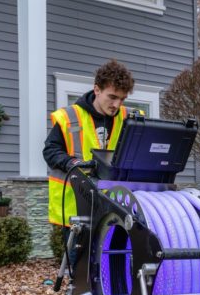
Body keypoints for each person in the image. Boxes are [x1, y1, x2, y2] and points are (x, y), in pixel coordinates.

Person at [42, 59, 135, 262]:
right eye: (112, 97)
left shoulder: (130, 118)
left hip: (116, 203)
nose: (116, 104)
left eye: (122, 99)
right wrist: (71, 163)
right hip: (78, 205)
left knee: (115, 263)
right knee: (81, 266)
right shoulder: (69, 117)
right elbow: (50, 151)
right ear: (97, 89)